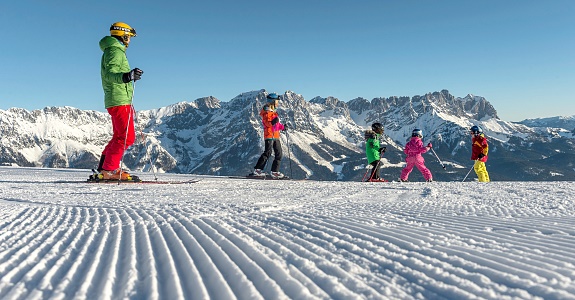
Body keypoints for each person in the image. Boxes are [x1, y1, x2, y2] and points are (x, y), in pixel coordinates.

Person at [97, 22, 144, 180]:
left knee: (119, 136)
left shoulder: (113, 50)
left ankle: (104, 168)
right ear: (123, 35)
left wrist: (129, 76)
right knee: (127, 137)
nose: (129, 40)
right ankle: (109, 170)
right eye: (129, 37)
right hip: (119, 100)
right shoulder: (115, 52)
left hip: (118, 98)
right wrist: (127, 76)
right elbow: (111, 74)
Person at [252, 93, 286, 178]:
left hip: (276, 136)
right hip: (269, 135)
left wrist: (283, 127)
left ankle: (275, 171)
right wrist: (272, 122)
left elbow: (276, 125)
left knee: (279, 154)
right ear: (273, 101)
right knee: (268, 152)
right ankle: (257, 170)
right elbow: (267, 123)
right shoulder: (266, 111)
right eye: (277, 101)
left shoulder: (274, 112)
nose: (278, 103)